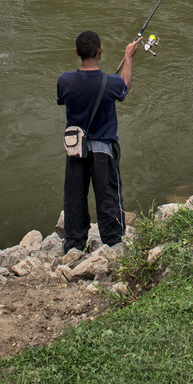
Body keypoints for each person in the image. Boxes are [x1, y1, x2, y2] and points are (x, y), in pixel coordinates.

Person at [57, 30, 141, 253]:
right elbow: (125, 86)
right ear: (100, 51)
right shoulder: (111, 83)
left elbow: (65, 98)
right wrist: (128, 57)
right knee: (108, 196)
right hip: (104, 150)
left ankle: (74, 244)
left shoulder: (65, 81)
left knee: (74, 197)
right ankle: (113, 244)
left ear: (76, 52)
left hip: (76, 151)